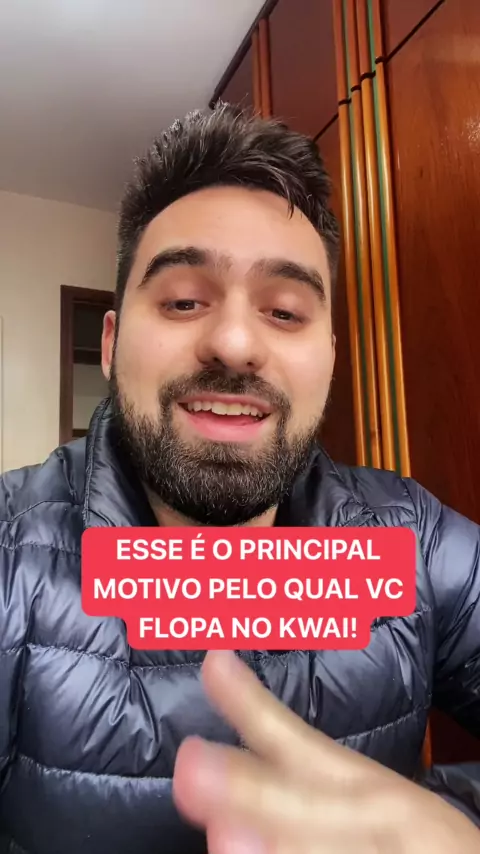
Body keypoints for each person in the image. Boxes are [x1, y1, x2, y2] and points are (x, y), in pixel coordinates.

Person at [0, 103, 479, 854]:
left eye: (284, 312)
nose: (232, 341)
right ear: (112, 343)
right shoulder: (10, 557)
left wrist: (456, 824)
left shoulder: (417, 544)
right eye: (184, 301)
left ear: (331, 355)